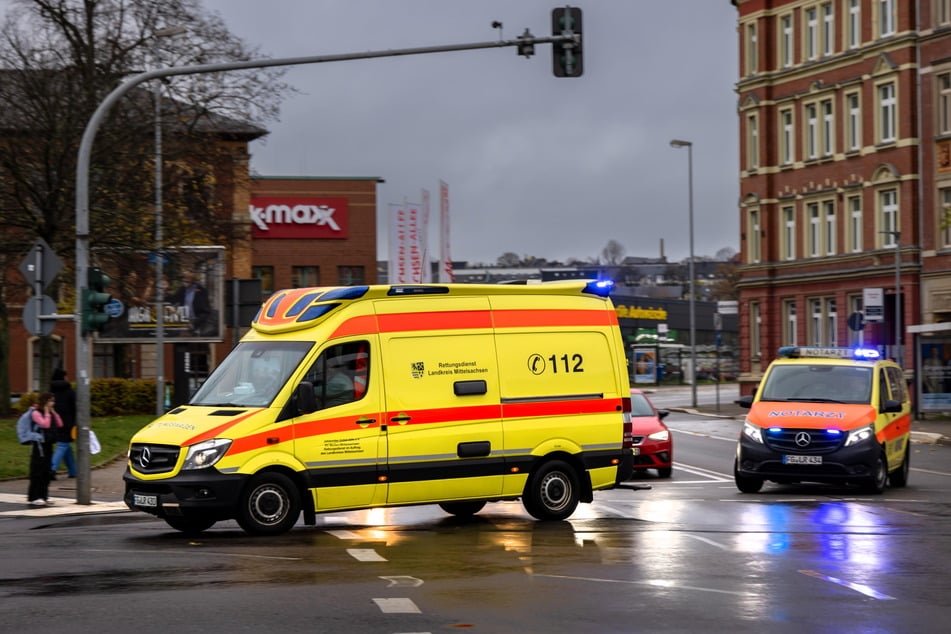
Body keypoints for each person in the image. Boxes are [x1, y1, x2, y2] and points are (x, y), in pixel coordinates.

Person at [27, 392, 63, 506]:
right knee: (38, 470)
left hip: (48, 445)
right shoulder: (36, 413)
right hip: (39, 446)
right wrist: (47, 413)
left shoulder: (51, 413)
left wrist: (53, 413)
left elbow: (60, 423)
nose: (53, 403)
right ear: (45, 402)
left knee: (46, 471)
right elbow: (45, 425)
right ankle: (34, 496)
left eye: (53, 401)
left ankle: (44, 495)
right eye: (51, 401)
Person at [49, 368, 77, 479]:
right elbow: (75, 407)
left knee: (66, 446)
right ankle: (51, 469)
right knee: (63, 444)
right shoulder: (69, 391)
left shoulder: (51, 390)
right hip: (67, 422)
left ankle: (73, 471)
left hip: (53, 421)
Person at [167, 271, 213, 336]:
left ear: (192, 280)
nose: (184, 281)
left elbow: (206, 312)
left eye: (186, 279)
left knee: (196, 344)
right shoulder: (183, 289)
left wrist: (194, 324)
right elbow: (174, 299)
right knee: (181, 344)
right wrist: (165, 293)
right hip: (184, 324)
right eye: (183, 279)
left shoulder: (201, 291)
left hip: (197, 325)